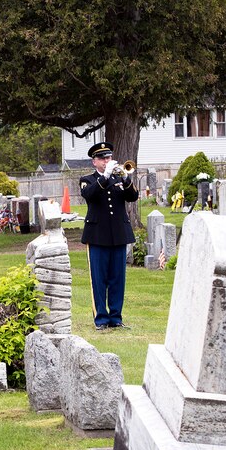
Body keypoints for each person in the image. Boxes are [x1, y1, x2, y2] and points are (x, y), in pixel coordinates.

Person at [79, 141, 139, 330]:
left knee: (117, 279)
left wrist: (127, 178)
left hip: (119, 235)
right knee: (98, 279)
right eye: (103, 158)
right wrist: (104, 177)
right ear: (94, 162)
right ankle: (101, 319)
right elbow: (89, 195)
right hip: (97, 235)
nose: (107, 161)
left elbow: (133, 197)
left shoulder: (119, 178)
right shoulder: (88, 179)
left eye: (109, 157)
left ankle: (116, 317)